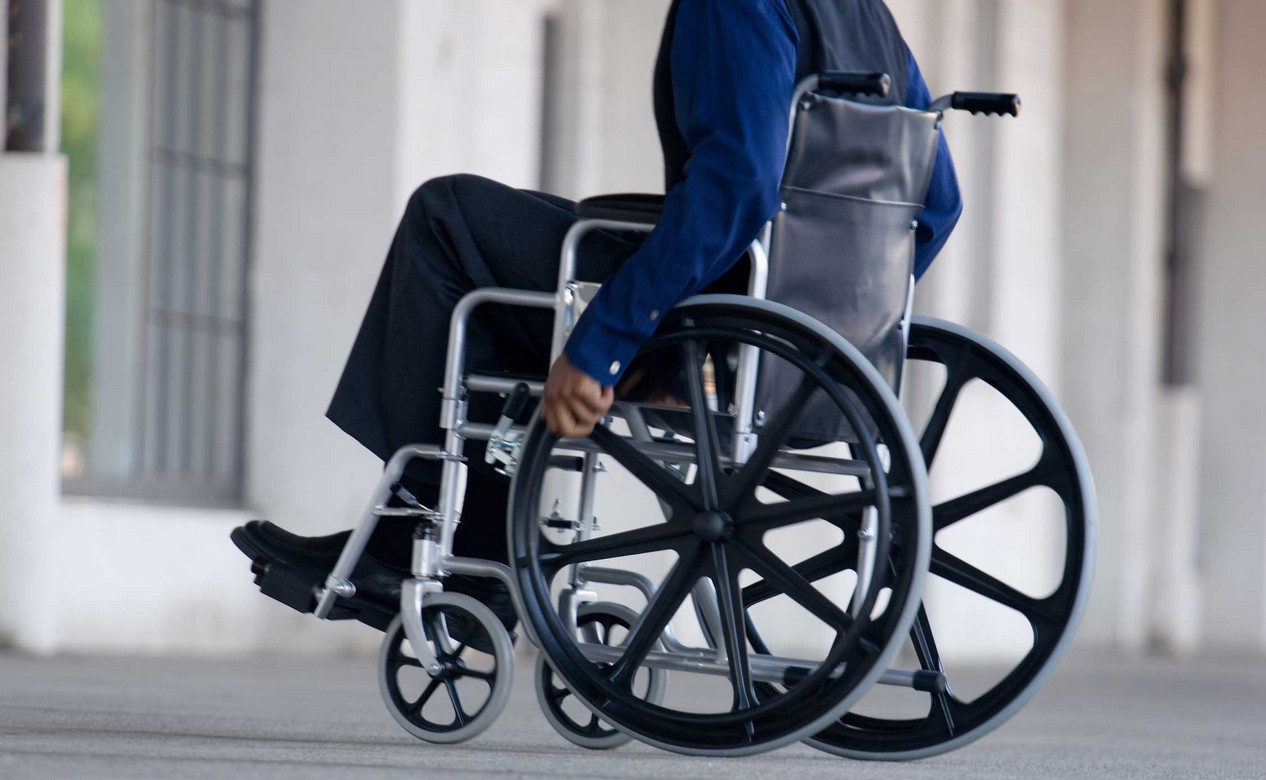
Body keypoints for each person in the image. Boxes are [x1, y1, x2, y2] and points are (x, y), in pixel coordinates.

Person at [231, 0, 963, 635]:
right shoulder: (869, 23)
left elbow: (738, 187)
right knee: (529, 253)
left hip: (713, 308)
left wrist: (615, 341)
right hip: (769, 329)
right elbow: (937, 206)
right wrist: (823, 323)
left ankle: (426, 539)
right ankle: (471, 543)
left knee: (448, 218)